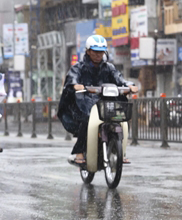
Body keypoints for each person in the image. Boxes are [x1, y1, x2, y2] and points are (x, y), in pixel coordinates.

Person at [58, 35, 138, 165]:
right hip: (85, 103)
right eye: (95, 51)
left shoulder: (109, 68)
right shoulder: (78, 67)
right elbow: (72, 79)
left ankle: (121, 152)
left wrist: (129, 85)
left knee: (121, 119)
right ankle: (79, 152)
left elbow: (119, 79)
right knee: (86, 119)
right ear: (88, 51)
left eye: (100, 52)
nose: (97, 55)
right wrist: (75, 85)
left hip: (106, 103)